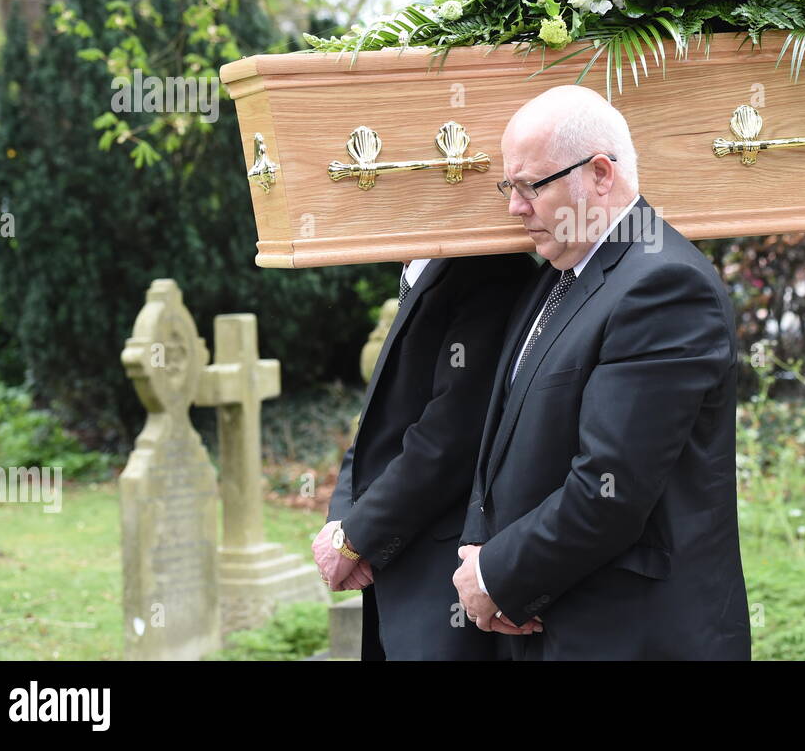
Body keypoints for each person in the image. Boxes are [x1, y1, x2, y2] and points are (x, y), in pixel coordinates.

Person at [452, 83, 751, 660]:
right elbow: (503, 440)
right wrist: (480, 551)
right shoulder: (559, 271)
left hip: (630, 634)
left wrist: (497, 576)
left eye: (529, 187)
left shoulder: (663, 287)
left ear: (599, 174)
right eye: (507, 187)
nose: (515, 207)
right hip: (550, 616)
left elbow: (609, 489)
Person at [314, 252, 534, 660]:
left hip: (441, 578)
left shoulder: (488, 269)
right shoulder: (423, 268)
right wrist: (341, 524)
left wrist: (357, 537)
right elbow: (378, 426)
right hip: (396, 568)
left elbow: (447, 439)